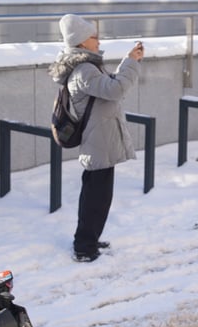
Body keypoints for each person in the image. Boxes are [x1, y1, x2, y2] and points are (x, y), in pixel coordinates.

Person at [48, 14, 144, 262]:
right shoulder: (84, 69)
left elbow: (108, 86)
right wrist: (130, 63)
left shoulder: (87, 67)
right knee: (95, 198)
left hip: (101, 139)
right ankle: (84, 248)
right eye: (94, 36)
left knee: (97, 195)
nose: (98, 40)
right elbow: (115, 89)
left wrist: (127, 63)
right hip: (97, 141)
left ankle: (90, 239)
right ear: (81, 42)